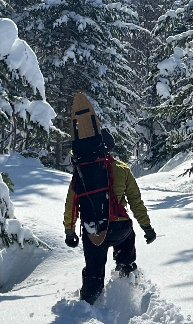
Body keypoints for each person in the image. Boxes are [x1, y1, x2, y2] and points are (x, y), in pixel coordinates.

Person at [64, 129, 157, 303]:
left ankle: (89, 304)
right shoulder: (122, 169)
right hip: (120, 230)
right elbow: (136, 202)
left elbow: (72, 204)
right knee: (126, 260)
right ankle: (127, 293)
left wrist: (69, 232)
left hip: (94, 229)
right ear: (111, 148)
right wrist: (147, 228)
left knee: (94, 271)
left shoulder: (82, 172)